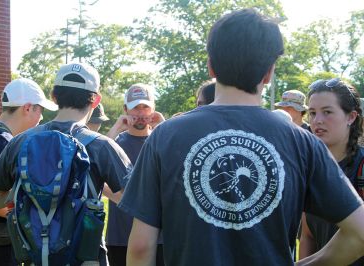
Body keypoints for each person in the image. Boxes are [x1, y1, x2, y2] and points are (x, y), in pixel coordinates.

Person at [117, 9, 364, 266]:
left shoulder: (164, 136)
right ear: (268, 73)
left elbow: (140, 246)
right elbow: (360, 233)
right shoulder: (302, 142)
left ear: (210, 67)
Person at [0, 62, 132, 266]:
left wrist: (21, 195)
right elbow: (140, 205)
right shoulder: (102, 147)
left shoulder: (20, 143)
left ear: (54, 96)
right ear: (96, 100)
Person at [0, 78, 58, 265]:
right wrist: (19, 213)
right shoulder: (2, 140)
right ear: (28, 108)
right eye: (40, 110)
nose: (41, 118)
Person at [299, 78, 364, 265]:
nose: (317, 120)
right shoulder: (307, 169)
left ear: (351, 117)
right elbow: (308, 236)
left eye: (327, 112)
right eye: (312, 113)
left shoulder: (361, 166)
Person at [105, 84, 164, 266]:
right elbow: (97, 176)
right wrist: (115, 128)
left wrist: (165, 126)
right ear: (125, 110)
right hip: (120, 236)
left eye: (145, 107)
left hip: (159, 237)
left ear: (153, 110)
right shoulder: (115, 142)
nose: (140, 113)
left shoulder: (160, 140)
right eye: (135, 107)